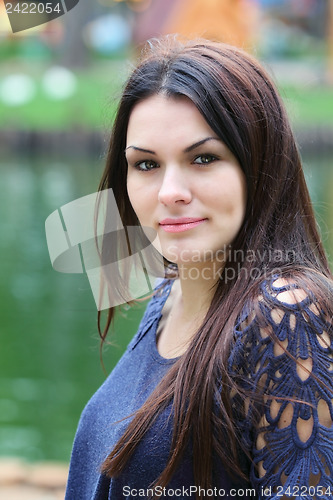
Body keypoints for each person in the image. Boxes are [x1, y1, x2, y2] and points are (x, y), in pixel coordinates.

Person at [65, 37, 333, 499]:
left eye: (203, 158)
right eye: (146, 164)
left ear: (261, 164)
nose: (170, 191)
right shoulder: (167, 293)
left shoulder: (287, 313)